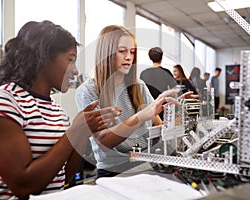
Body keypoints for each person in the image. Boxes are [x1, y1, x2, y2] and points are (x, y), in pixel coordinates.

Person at [0, 20, 122, 199]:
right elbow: (24, 186)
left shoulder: (57, 111)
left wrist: (84, 132)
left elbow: (63, 176)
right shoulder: (3, 102)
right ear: (44, 57)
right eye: (70, 59)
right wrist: (75, 131)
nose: (75, 71)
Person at [75, 25, 195, 178]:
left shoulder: (138, 86)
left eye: (132, 52)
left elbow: (159, 127)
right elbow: (104, 141)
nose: (129, 57)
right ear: (106, 53)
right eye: (122, 51)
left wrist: (176, 112)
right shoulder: (87, 91)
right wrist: (141, 117)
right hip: (114, 171)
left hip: (146, 163)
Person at [140, 47, 177, 119]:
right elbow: (175, 89)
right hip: (163, 106)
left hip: (148, 107)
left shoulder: (144, 73)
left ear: (150, 57)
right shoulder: (166, 72)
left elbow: (141, 92)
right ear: (161, 57)